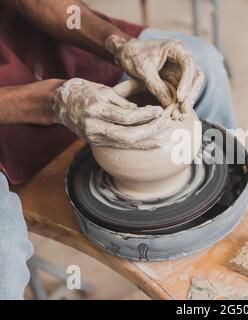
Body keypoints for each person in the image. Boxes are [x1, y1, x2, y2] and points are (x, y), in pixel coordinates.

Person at [0, 0, 235, 299]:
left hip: (20, 40)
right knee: (3, 253)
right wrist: (50, 101)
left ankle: (221, 229)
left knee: (203, 64)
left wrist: (118, 44)